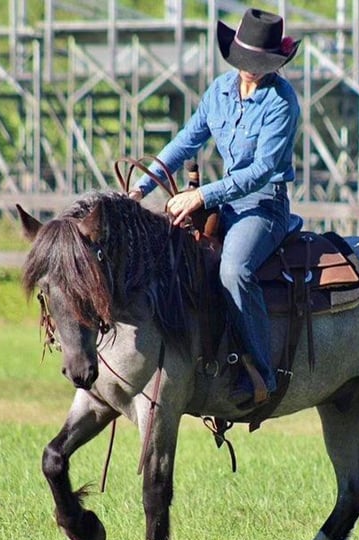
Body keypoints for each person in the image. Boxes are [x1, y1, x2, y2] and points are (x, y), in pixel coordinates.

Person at [131, 8, 301, 405]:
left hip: (263, 206)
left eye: (259, 64)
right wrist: (142, 187)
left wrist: (202, 195)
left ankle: (261, 372)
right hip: (225, 200)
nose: (250, 71)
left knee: (234, 269)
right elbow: (185, 141)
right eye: (246, 62)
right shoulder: (220, 91)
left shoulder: (282, 103)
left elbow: (261, 172)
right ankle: (194, 358)